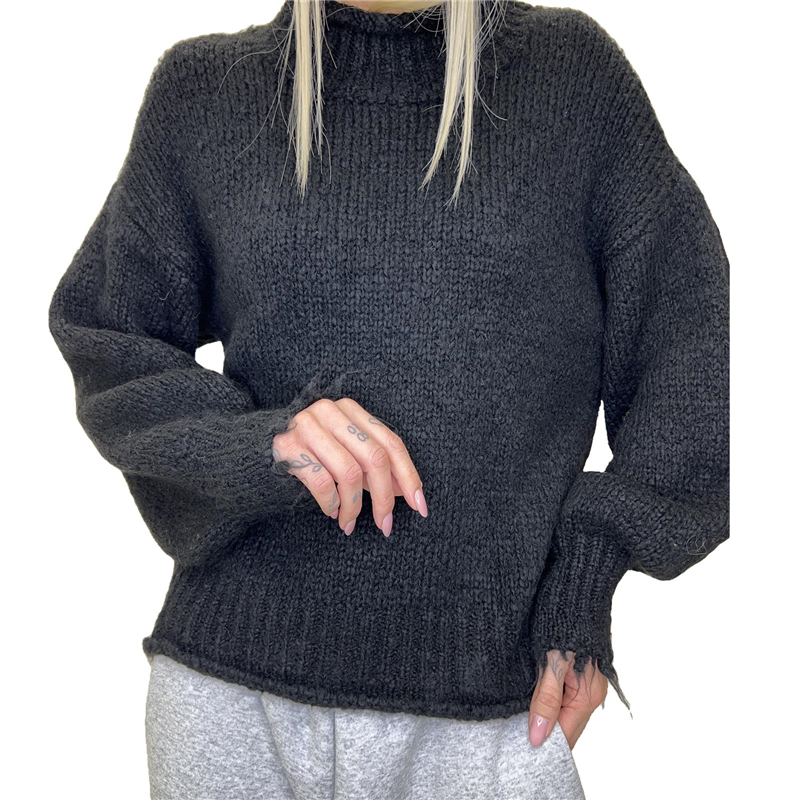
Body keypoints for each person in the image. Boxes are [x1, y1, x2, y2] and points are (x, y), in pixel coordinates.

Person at [47, 0, 730, 797]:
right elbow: (111, 339)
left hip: (495, 710)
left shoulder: (573, 82)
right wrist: (260, 445)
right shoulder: (204, 93)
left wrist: (589, 571)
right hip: (231, 701)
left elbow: (697, 343)